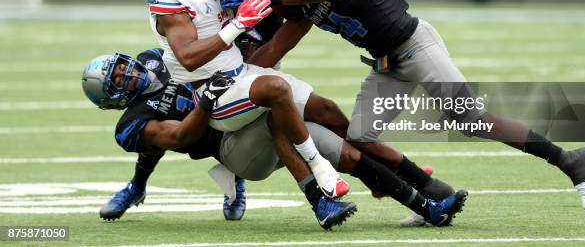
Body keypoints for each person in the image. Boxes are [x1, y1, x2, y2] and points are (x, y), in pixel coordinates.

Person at [141, 0, 457, 227]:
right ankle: (294, 180)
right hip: (230, 42)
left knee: (321, 115)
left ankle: (409, 179)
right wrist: (236, 20)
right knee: (270, 117)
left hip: (279, 21)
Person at [233, 0, 585, 212]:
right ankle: (434, 191)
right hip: (385, 65)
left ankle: (568, 159)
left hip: (415, 45)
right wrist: (236, 71)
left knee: (469, 119)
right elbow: (280, 42)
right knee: (361, 137)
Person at [82, 49, 468, 228]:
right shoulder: (131, 124)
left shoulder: (155, 59)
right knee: (272, 111)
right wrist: (208, 100)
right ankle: (320, 202)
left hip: (245, 117)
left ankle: (425, 206)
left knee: (346, 155)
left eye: (122, 69)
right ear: (113, 101)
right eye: (119, 82)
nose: (129, 76)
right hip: (231, 148)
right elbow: (180, 137)